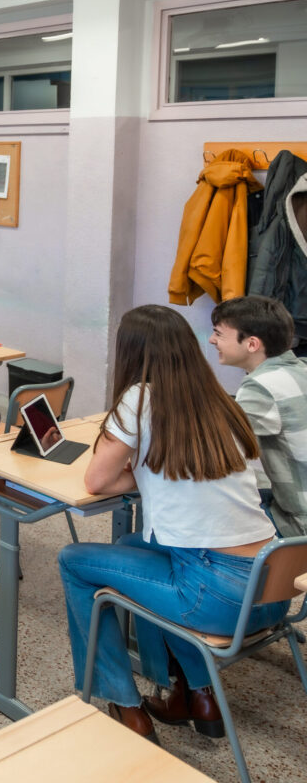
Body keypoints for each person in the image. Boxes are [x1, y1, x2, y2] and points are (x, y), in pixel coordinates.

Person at [59, 304, 289, 743]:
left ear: (131, 353)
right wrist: (148, 469)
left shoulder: (139, 399)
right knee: (133, 543)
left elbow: (97, 479)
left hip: (218, 598)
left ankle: (126, 706)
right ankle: (196, 695)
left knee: (74, 560)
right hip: (273, 589)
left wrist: (135, 468)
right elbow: (180, 468)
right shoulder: (218, 399)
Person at [210, 295, 307, 537]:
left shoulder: (261, 387)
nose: (212, 340)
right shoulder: (301, 368)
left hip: (298, 526)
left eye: (219, 334)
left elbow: (217, 449)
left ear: (252, 344)